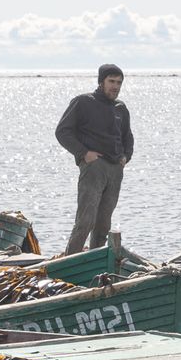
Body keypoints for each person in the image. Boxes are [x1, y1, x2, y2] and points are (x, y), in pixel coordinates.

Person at [56, 64, 134, 254]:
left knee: (103, 223)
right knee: (86, 220)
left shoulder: (120, 108)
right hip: (93, 167)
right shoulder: (83, 102)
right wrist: (84, 153)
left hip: (115, 170)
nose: (115, 86)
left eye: (119, 83)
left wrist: (125, 157)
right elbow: (62, 132)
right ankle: (70, 260)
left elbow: (128, 137)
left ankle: (96, 260)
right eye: (111, 81)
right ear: (101, 82)